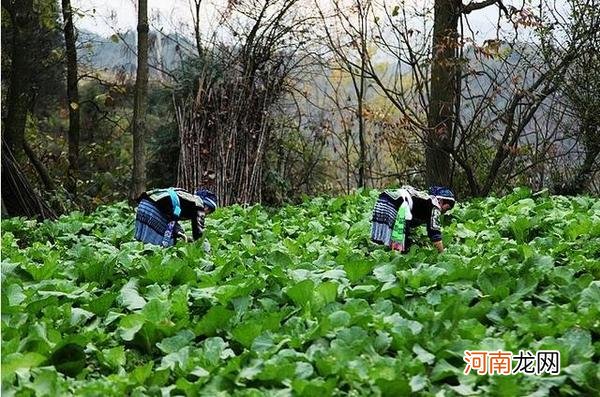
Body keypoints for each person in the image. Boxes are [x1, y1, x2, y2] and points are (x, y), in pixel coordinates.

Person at [371, 185, 455, 253]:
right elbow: (435, 234)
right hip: (396, 204)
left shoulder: (425, 199)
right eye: (446, 208)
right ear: (440, 201)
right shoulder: (435, 206)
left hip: (384, 198)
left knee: (382, 237)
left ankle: (377, 254)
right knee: (402, 247)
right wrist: (442, 254)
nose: (444, 212)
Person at [134, 187, 217, 247]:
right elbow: (199, 235)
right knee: (163, 243)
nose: (207, 214)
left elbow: (172, 217)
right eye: (209, 211)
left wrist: (181, 233)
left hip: (144, 205)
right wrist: (205, 249)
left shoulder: (188, 198)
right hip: (153, 210)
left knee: (141, 243)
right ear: (207, 207)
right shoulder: (199, 205)